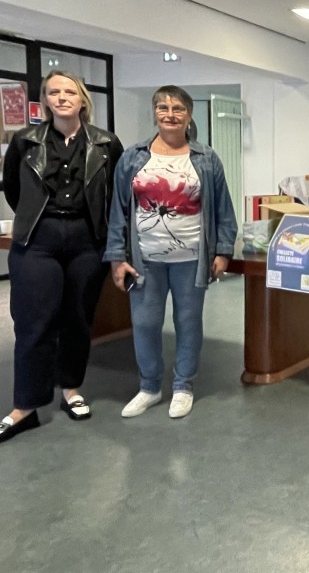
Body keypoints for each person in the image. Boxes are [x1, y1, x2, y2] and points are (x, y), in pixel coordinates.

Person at [0, 71, 124, 443]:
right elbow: (14, 189)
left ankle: (71, 389)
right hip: (38, 239)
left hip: (87, 240)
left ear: (82, 99)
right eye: (54, 92)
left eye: (70, 91)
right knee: (34, 322)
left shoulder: (106, 143)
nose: (62, 97)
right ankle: (25, 406)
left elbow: (115, 195)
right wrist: (38, 219)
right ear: (45, 100)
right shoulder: (25, 140)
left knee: (77, 318)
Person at [104, 85, 237, 419]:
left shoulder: (206, 158)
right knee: (145, 323)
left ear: (189, 115)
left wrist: (223, 251)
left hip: (191, 260)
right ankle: (149, 387)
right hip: (144, 260)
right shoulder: (133, 157)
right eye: (162, 108)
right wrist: (117, 257)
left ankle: (183, 386)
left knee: (188, 322)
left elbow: (224, 209)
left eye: (178, 108)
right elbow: (118, 211)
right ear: (154, 113)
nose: (170, 114)